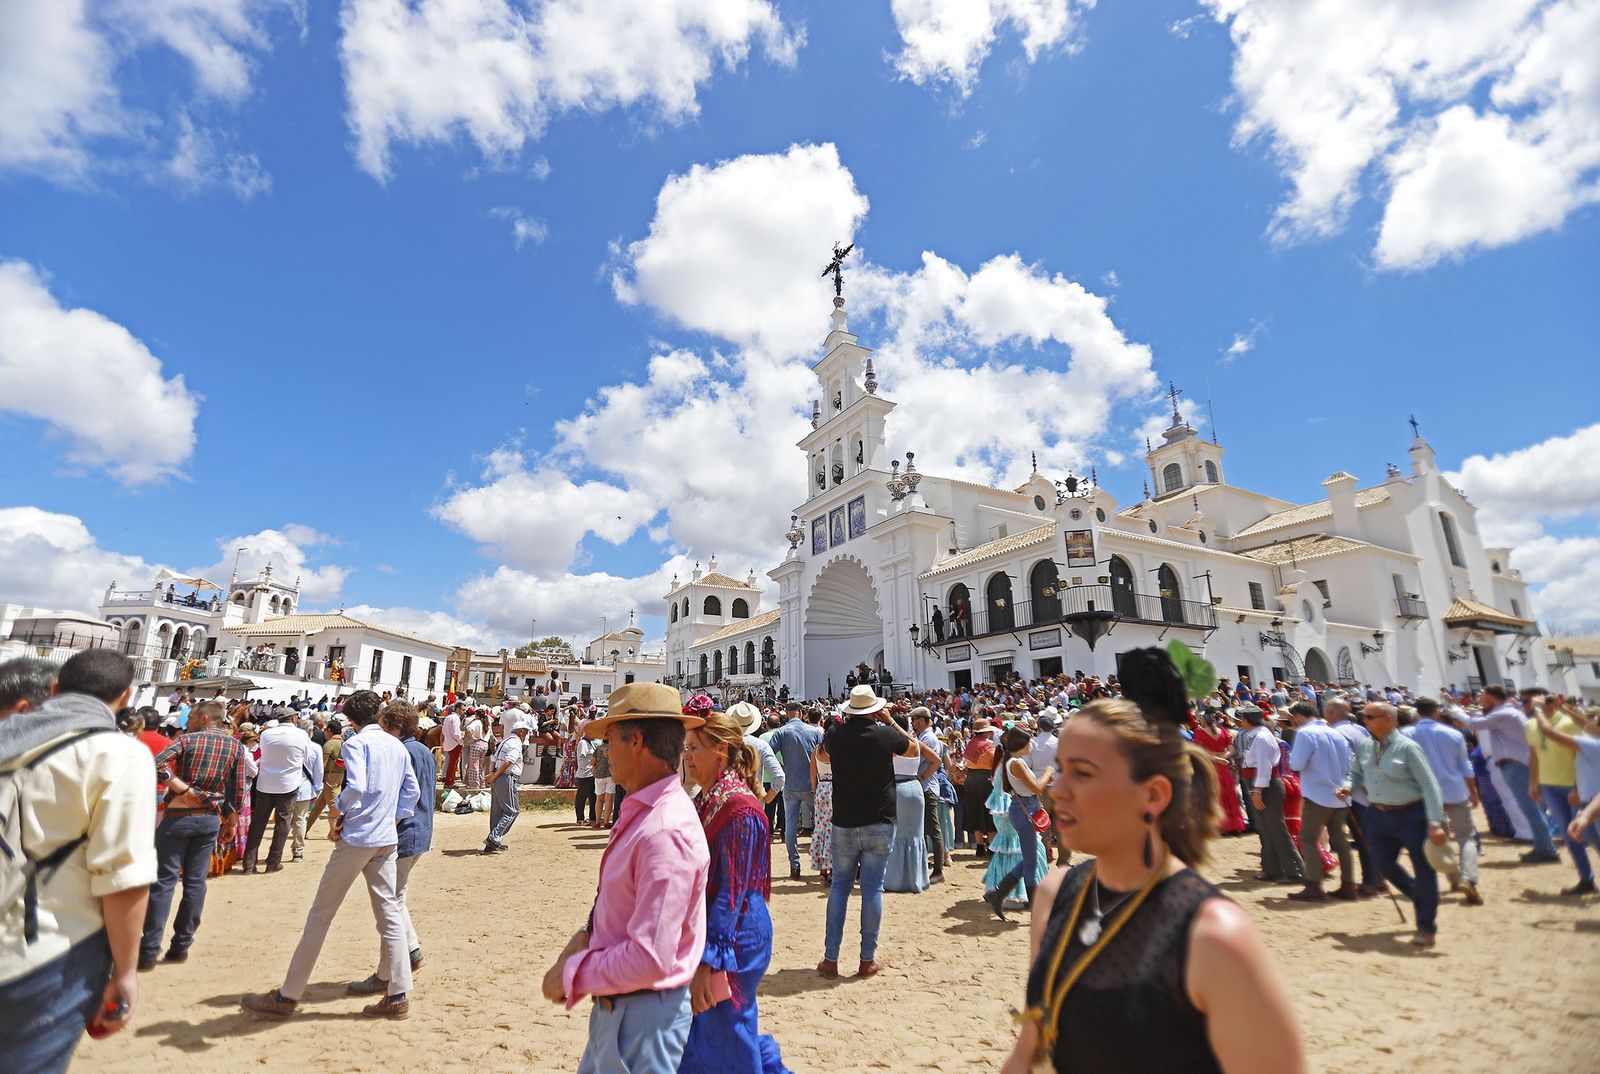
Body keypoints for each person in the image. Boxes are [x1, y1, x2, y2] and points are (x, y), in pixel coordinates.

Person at [1002, 649, 1304, 1074]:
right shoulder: (1054, 894)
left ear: (1153, 795)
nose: (1061, 789)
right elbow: (1030, 1046)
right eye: (1062, 769)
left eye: (1083, 772)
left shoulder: (1214, 937)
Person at [0, 650, 157, 1074]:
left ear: (54, 690)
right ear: (125, 697)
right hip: (43, 953)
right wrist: (126, 972)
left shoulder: (8, 732)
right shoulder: (118, 754)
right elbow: (123, 877)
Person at [540, 683, 708, 1074]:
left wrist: (572, 973)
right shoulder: (645, 812)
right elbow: (618, 901)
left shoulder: (664, 828)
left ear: (636, 741)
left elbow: (650, 956)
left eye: (610, 740)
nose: (606, 753)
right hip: (624, 1011)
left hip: (644, 1016)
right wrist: (585, 936)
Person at [240, 690, 422, 1020]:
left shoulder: (357, 743)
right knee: (390, 914)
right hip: (386, 838)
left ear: (351, 718)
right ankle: (397, 994)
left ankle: (288, 995)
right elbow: (412, 793)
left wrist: (337, 813)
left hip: (358, 837)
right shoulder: (396, 746)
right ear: (379, 715)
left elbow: (357, 788)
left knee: (321, 915)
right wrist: (391, 818)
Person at [678, 709, 792, 1074]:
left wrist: (711, 960)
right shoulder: (709, 799)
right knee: (715, 1028)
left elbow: (733, 893)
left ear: (721, 751)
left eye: (693, 747)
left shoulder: (739, 809)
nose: (686, 756)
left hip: (735, 938)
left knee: (726, 1030)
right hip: (717, 932)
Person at [818, 686, 937, 980]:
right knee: (872, 889)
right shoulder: (886, 734)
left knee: (839, 889)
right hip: (879, 819)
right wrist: (891, 721)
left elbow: (822, 754)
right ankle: (866, 959)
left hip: (845, 820)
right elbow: (915, 749)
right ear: (874, 710)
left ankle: (831, 959)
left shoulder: (836, 733)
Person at [140, 700, 247, 969]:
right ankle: (181, 946)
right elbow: (236, 789)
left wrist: (183, 789)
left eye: (192, 716)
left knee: (164, 882)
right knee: (196, 883)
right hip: (209, 819)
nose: (187, 721)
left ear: (203, 718)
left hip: (178, 816)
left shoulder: (188, 740)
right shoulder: (235, 745)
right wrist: (231, 822)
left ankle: (150, 949)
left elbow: (158, 762)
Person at [1336, 701, 1448, 947]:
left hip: (1412, 814)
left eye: (1369, 717)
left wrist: (1436, 821)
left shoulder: (1409, 748)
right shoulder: (1365, 746)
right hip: (1377, 814)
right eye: (1363, 716)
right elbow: (1355, 774)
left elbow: (1429, 786)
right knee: (1381, 863)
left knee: (1424, 869)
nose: (1364, 720)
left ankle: (1426, 926)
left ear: (1388, 719)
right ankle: (1420, 897)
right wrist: (1348, 786)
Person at [348, 700, 435, 995]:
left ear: (394, 727)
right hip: (421, 834)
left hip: (402, 835)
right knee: (396, 900)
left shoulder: (399, 751)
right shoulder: (424, 750)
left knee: (388, 909)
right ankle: (412, 952)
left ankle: (386, 975)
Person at [1463, 684, 1558, 863]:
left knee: (1531, 810)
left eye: (1482, 697)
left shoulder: (1503, 713)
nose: (1479, 700)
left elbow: (1471, 723)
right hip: (1518, 764)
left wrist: (1454, 709)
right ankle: (1542, 846)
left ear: (1491, 698)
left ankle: (1547, 849)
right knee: (1531, 809)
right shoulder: (1509, 712)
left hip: (1515, 765)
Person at [1405, 697, 1482, 904]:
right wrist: (1473, 792)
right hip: (1454, 790)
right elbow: (1465, 767)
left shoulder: (1406, 735)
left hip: (1423, 794)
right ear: (1436, 712)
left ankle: (1455, 878)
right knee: (1466, 837)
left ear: (1417, 713)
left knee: (1439, 838)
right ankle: (1468, 878)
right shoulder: (1454, 733)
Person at [1523, 689, 1594, 894]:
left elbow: (1583, 755)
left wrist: (1576, 786)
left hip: (1572, 784)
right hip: (1549, 786)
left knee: (1587, 833)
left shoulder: (1567, 722)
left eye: (1531, 700)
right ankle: (1586, 878)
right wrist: (1533, 783)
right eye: (1526, 700)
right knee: (1569, 834)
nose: (1528, 703)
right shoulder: (1529, 725)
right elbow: (1534, 755)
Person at [1284, 702, 1356, 902]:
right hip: (1340, 795)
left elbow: (1296, 764)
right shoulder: (1336, 734)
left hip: (1317, 795)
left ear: (1298, 716)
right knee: (1340, 841)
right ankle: (1348, 885)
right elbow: (1351, 764)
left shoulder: (1305, 734)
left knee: (1308, 839)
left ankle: (1314, 886)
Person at [983, 727, 1049, 918]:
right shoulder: (1016, 763)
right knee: (1030, 862)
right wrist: (1048, 773)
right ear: (1021, 744)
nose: (1031, 746)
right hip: (1024, 811)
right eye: (1029, 742)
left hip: (1023, 810)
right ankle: (1032, 906)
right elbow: (1036, 787)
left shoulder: (1012, 761)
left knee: (1030, 859)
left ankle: (998, 893)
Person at [1238, 704, 1303, 883]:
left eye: (1242, 718)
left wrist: (1258, 790)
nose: (1240, 721)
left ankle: (1294, 870)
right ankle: (1273, 869)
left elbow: (1265, 766)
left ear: (1247, 720)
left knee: (1276, 828)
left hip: (1265, 786)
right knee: (1265, 828)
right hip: (1260, 784)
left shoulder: (1261, 737)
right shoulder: (1257, 736)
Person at [244, 708, 313, 874]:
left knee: (258, 823)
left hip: (265, 783)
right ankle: (273, 862)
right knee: (283, 823)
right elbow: (306, 757)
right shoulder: (301, 735)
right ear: (294, 719)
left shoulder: (267, 734)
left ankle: (249, 863)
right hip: (288, 784)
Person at [765, 701, 820, 881]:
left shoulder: (781, 732)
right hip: (812, 784)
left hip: (790, 784)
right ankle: (823, 863)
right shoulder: (814, 732)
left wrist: (781, 767)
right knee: (821, 824)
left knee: (790, 827)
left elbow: (769, 753)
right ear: (801, 712)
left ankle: (794, 865)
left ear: (786, 714)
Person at [884, 711, 933, 894]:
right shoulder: (915, 744)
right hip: (914, 787)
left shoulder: (891, 747)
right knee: (915, 834)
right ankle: (916, 879)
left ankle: (894, 880)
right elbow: (935, 760)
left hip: (896, 789)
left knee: (895, 835)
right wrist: (922, 777)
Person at [1192, 704, 1245, 835]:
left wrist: (1217, 759)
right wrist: (1223, 757)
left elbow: (1201, 751)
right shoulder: (1223, 731)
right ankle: (1235, 825)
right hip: (1224, 766)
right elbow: (1231, 749)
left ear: (1203, 721)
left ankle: (1222, 826)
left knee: (1216, 795)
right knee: (1229, 793)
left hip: (1211, 766)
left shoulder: (1199, 732)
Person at [289, 719, 324, 865]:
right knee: (300, 819)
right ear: (310, 732)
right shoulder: (315, 748)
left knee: (284, 819)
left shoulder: (291, 744)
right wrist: (317, 788)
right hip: (305, 787)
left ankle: (276, 851)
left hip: (287, 786)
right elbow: (319, 771)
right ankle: (298, 850)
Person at [963, 717, 999, 855]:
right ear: (985, 732)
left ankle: (979, 846)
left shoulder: (969, 745)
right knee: (989, 812)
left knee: (975, 811)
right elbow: (996, 764)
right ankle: (991, 846)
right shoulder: (989, 747)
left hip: (971, 779)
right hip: (986, 780)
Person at [441, 703, 463, 787]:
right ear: (458, 709)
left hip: (448, 742)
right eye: (462, 710)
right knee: (453, 764)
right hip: (455, 744)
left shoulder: (448, 717)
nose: (463, 712)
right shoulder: (456, 718)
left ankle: (449, 781)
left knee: (451, 763)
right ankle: (449, 782)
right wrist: (461, 741)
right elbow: (456, 733)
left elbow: (443, 731)